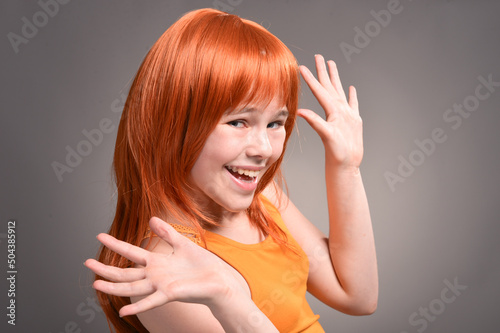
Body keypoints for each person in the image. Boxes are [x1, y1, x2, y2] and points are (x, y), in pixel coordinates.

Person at [84, 8, 378, 333]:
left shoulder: (261, 198)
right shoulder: (161, 269)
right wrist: (229, 298)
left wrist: (346, 167)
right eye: (238, 121)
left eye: (275, 123)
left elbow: (357, 296)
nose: (264, 149)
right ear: (174, 124)